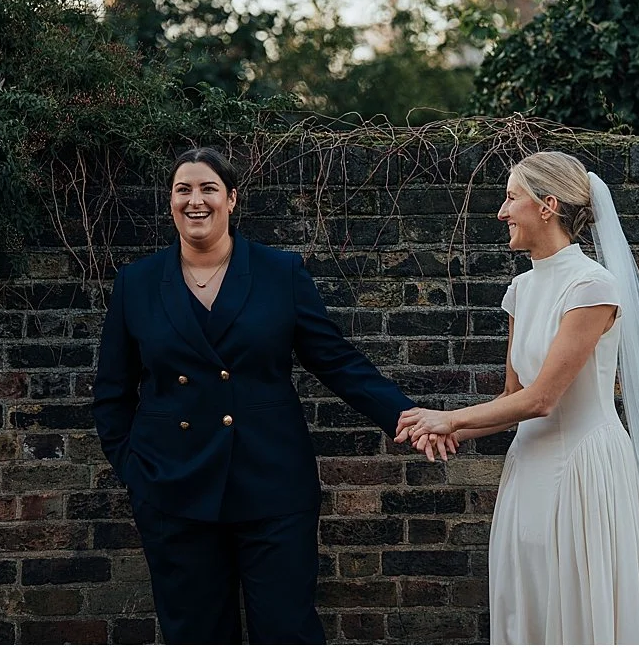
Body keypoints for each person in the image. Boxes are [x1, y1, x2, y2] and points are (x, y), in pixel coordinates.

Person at [92, 147, 425, 643]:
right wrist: (136, 471)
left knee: (286, 628)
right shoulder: (136, 283)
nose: (195, 201)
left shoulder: (279, 272)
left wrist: (406, 416)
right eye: (183, 190)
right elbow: (112, 392)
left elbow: (336, 361)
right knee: (196, 632)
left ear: (231, 199)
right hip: (173, 486)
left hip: (272, 481)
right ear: (170, 203)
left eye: (208, 189)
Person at [393, 150, 639, 643]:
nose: (501, 212)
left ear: (547, 205)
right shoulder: (520, 288)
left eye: (510, 198)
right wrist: (436, 427)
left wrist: (450, 418)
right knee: (532, 603)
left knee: (582, 606)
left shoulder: (593, 286)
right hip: (529, 468)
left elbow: (543, 399)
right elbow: (511, 398)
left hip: (585, 470)